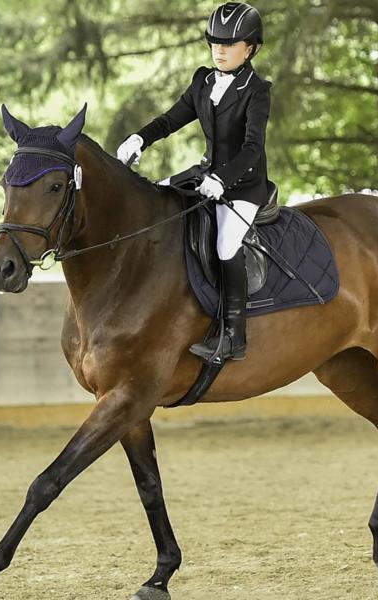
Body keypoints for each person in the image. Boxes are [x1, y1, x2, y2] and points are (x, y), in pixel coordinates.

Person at [116, 2, 271, 363]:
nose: (220, 50)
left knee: (225, 244)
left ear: (250, 49)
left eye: (229, 44)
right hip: (205, 175)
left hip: (244, 185)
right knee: (160, 209)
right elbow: (171, 119)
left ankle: (233, 334)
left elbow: (252, 149)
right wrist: (140, 138)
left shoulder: (257, 90)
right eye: (215, 43)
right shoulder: (203, 81)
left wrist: (224, 179)